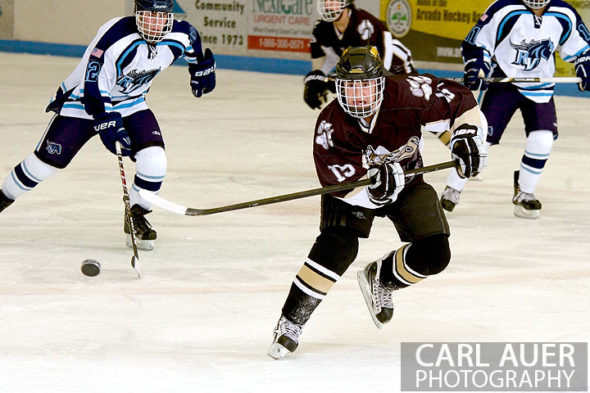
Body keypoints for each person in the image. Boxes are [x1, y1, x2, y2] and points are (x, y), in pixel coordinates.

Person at [267, 46, 487, 360]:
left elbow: (459, 99)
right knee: (338, 246)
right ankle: (291, 320)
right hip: (354, 190)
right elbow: (336, 182)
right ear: (338, 88)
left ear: (381, 84)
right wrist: (374, 192)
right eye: (350, 87)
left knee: (435, 253)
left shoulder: (407, 93)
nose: (358, 97)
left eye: (366, 86)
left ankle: (381, 278)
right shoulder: (330, 126)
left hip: (408, 181)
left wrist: (466, 134)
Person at [0, 0, 216, 250]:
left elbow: (193, 40)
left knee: (155, 159)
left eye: (161, 16)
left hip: (131, 103)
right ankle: (3, 197)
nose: (155, 23)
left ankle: (135, 217)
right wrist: (108, 123)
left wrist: (200, 68)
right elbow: (93, 85)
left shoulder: (180, 34)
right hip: (82, 102)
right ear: (137, 14)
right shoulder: (116, 37)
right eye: (148, 16)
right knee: (44, 166)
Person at [440, 0, 590, 218]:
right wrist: (477, 66)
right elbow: (477, 43)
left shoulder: (564, 12)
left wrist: (585, 65)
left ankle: (525, 192)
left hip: (541, 86)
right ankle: (453, 188)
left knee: (542, 140)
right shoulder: (504, 9)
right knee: (480, 139)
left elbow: (582, 46)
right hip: (504, 84)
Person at [303, 0, 416, 110]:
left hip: (397, 70)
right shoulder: (321, 28)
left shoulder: (362, 24)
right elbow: (324, 63)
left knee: (396, 114)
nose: (327, 3)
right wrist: (315, 82)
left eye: (333, 0)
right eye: (326, 0)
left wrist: (330, 83)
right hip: (371, 72)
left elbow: (363, 69)